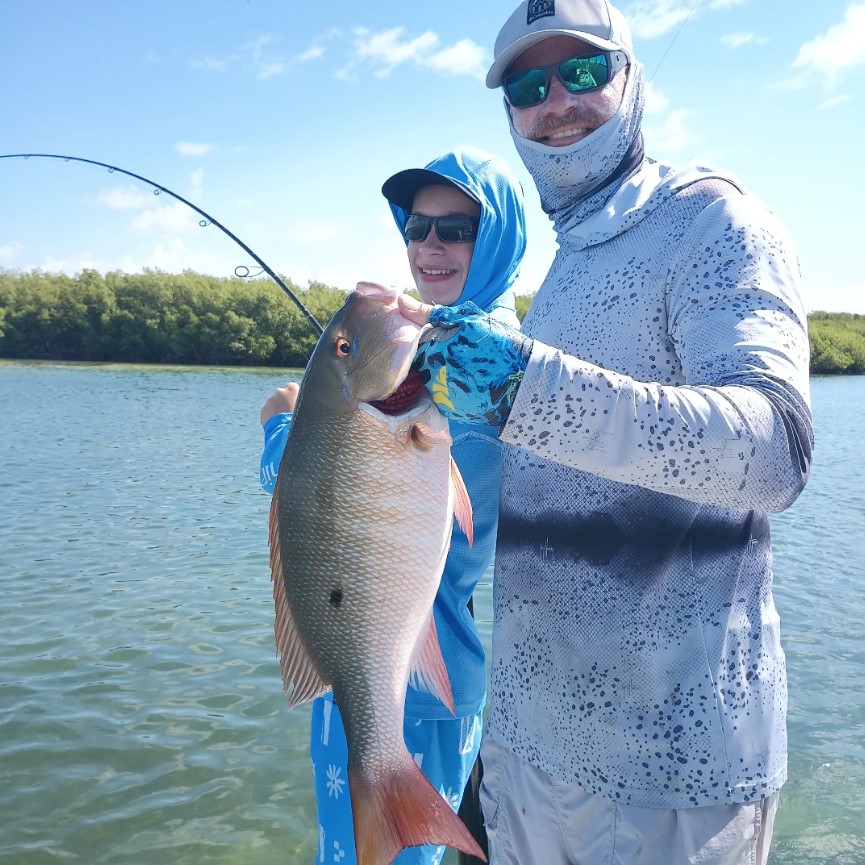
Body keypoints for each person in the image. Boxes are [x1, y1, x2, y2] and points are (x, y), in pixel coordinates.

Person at [396, 2, 814, 863]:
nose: (556, 100)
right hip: (526, 750)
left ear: (631, 80)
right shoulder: (560, 269)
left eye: (582, 72)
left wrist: (525, 387)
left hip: (671, 779)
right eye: (527, 83)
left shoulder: (713, 221)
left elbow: (774, 449)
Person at [259, 145, 527, 865]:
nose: (429, 245)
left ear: (499, 232)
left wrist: (284, 425)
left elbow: (325, 484)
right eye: (416, 227)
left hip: (402, 674)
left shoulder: (484, 363)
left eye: (457, 228)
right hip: (357, 654)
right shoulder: (434, 353)